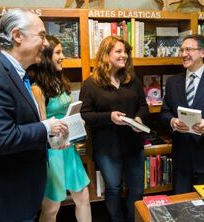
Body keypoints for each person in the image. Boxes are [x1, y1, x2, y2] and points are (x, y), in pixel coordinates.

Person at [0, 9, 68, 221]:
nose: (46, 44)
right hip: (6, 196)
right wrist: (47, 128)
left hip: (23, 191)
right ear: (17, 36)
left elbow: (21, 125)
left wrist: (50, 140)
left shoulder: (20, 75)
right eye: (41, 35)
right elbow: (3, 138)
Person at [80, 36, 149, 222]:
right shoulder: (90, 84)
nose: (124, 55)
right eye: (118, 51)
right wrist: (109, 117)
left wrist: (138, 118)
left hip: (134, 145)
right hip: (107, 148)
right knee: (114, 188)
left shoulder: (132, 80)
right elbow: (85, 114)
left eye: (125, 51)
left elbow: (144, 106)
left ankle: (132, 219)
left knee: (137, 190)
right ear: (106, 54)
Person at [160, 34, 204, 194]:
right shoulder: (172, 82)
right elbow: (165, 112)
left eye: (189, 49)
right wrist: (172, 121)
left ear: (203, 52)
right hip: (181, 157)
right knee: (181, 205)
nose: (184, 54)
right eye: (182, 50)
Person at [29, 36, 91, 222]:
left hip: (69, 148)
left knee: (83, 197)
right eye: (58, 52)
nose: (63, 56)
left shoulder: (61, 82)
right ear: (46, 56)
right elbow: (41, 125)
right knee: (51, 207)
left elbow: (68, 111)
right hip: (53, 152)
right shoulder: (37, 89)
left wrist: (77, 121)